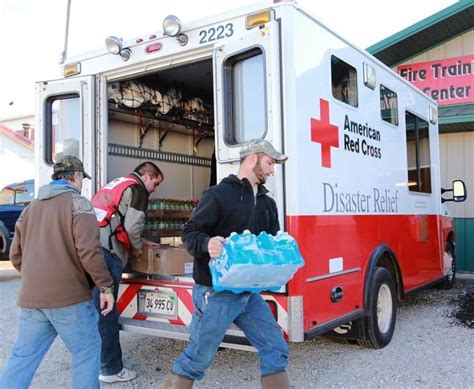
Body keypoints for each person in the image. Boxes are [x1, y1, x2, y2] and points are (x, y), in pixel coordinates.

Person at [165, 139, 290, 389]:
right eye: (269, 163)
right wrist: (207, 243)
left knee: (275, 347)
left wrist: (282, 251)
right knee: (199, 358)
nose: (272, 170)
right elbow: (190, 233)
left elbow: (270, 242)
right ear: (252, 158)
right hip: (217, 293)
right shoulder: (219, 195)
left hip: (248, 293)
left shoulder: (268, 203)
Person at [0, 156, 115, 389]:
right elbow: (90, 252)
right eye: (82, 177)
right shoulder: (79, 204)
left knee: (23, 358)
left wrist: (36, 279)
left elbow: (15, 255)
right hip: (69, 299)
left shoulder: (30, 208)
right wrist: (105, 287)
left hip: (32, 299)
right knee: (86, 352)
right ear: (76, 176)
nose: (82, 182)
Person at [91, 161, 164, 383]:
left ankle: (96, 362)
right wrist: (139, 251)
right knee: (107, 311)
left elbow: (116, 219)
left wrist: (140, 241)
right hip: (109, 254)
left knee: (96, 310)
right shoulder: (138, 188)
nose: (154, 189)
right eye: (156, 183)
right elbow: (132, 227)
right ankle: (111, 369)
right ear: (147, 176)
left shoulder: (118, 184)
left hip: (92, 250)